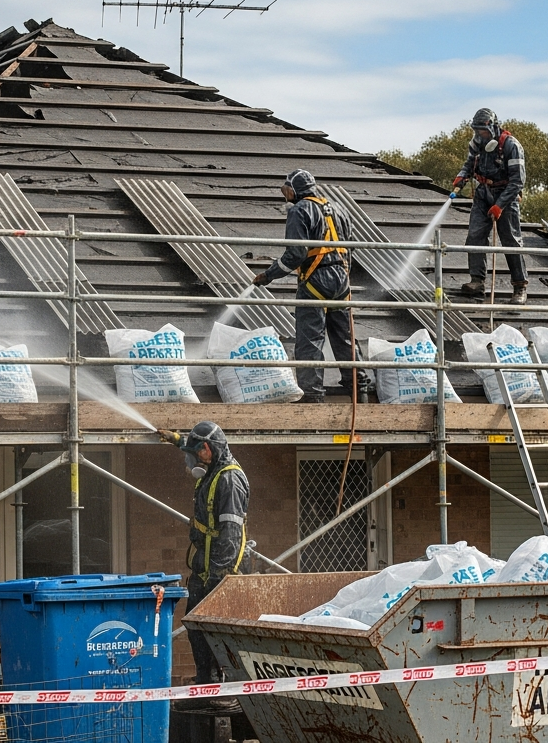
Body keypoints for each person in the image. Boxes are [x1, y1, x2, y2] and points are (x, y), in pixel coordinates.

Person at [156, 422, 248, 711]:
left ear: (207, 450)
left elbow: (231, 534)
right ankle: (205, 683)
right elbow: (191, 444)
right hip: (204, 567)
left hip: (220, 570)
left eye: (194, 453)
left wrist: (218, 577)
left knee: (217, 630)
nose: (191, 460)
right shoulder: (211, 467)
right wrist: (176, 440)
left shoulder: (229, 481)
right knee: (196, 626)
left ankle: (224, 688)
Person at [252, 169, 363, 403]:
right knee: (345, 338)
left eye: (285, 189)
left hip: (315, 281)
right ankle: (359, 390)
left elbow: (295, 254)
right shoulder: (340, 209)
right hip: (342, 281)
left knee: (309, 340)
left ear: (293, 189)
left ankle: (312, 397)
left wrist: (269, 275)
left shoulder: (299, 210)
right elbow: (349, 248)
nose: (284, 194)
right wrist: (343, 276)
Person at [453, 108, 529, 305]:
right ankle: (477, 281)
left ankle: (519, 287)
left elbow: (517, 182)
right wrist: (462, 176)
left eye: (483, 131)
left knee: (511, 241)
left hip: (506, 194)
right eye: (477, 131)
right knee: (475, 235)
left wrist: (500, 205)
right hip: (482, 193)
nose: (480, 135)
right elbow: (470, 163)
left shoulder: (511, 146)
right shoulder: (477, 144)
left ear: (493, 128)